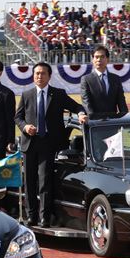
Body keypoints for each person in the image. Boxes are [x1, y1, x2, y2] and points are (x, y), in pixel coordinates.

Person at [15, 62, 88, 228]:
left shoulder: (58, 94)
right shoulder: (27, 95)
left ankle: (44, 217)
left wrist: (81, 113)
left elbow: (76, 106)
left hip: (48, 144)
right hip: (29, 144)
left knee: (44, 180)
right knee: (30, 182)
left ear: (49, 76)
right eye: (36, 73)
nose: (39, 76)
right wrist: (25, 126)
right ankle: (31, 216)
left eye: (42, 73)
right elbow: (17, 117)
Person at [80, 45, 128, 117]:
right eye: (96, 57)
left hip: (113, 122)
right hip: (95, 124)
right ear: (93, 60)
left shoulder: (116, 79)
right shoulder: (86, 79)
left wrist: (124, 119)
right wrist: (94, 122)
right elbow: (87, 103)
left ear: (107, 59)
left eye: (102, 57)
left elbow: (121, 102)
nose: (99, 60)